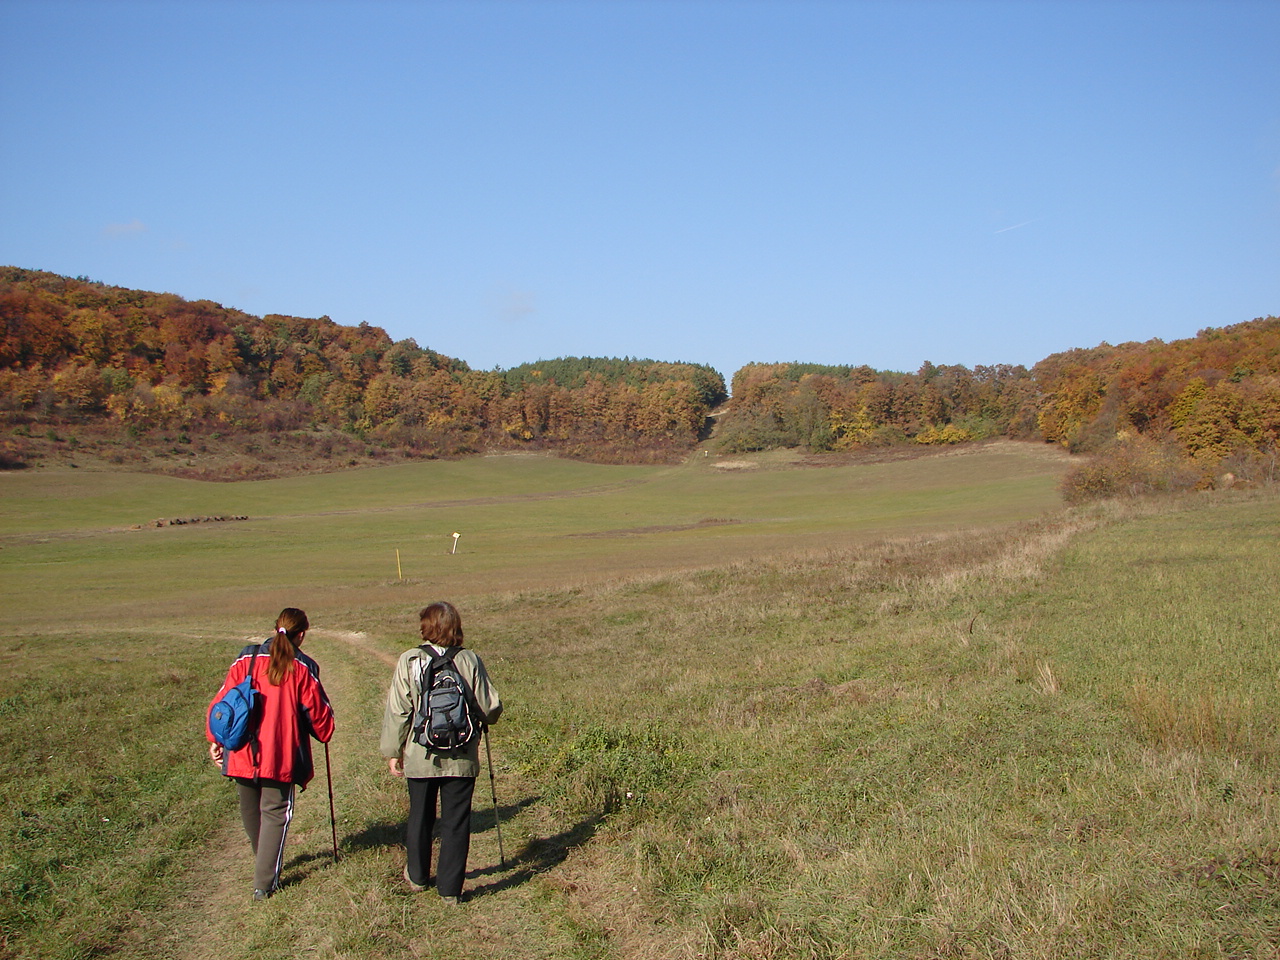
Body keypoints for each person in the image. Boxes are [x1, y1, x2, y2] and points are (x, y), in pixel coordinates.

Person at [206, 607, 335, 901]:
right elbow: (322, 724)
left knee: (250, 809)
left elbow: (222, 702)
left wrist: (215, 739)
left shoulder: (246, 658)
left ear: (275, 628)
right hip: (280, 757)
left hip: (240, 750)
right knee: (276, 813)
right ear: (301, 635)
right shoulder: (303, 667)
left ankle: (263, 863)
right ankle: (264, 884)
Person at [380, 601, 502, 903]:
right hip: (461, 754)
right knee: (456, 821)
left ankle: (417, 876)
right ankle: (450, 890)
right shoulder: (469, 660)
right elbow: (490, 708)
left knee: (420, 816)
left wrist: (393, 751)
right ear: (456, 627)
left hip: (420, 754)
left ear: (425, 627)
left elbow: (398, 710)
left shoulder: (410, 660)